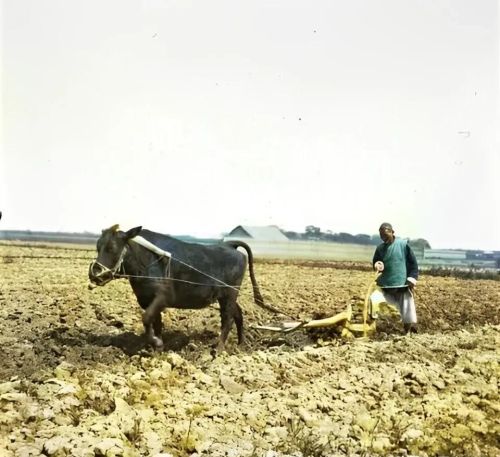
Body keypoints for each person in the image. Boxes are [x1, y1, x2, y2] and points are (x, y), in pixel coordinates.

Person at [371, 222, 419, 334]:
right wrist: (377, 265)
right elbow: (376, 261)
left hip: (402, 285)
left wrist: (412, 278)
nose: (383, 238)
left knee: (408, 309)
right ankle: (372, 329)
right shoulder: (380, 248)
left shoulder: (403, 245)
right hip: (384, 285)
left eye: (386, 234)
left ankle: (407, 331)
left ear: (392, 232)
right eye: (381, 236)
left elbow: (413, 264)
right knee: (373, 301)